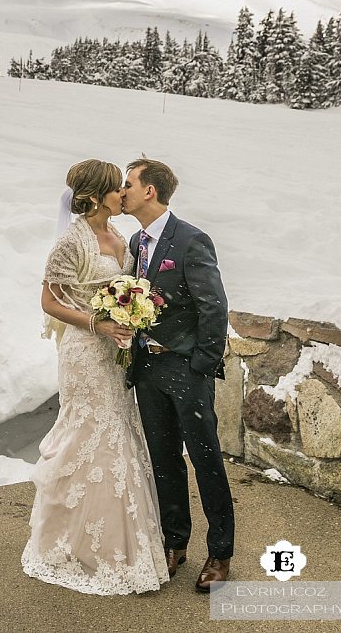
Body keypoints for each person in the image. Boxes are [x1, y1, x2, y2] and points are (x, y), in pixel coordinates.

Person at [21, 159, 169, 595]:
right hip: (85, 354)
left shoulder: (119, 237)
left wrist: (131, 314)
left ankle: (117, 545)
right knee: (89, 434)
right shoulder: (71, 242)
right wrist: (96, 324)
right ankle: (70, 544)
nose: (124, 194)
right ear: (98, 195)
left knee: (118, 434)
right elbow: (49, 301)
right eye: (117, 189)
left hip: (113, 354)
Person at [122, 157, 234, 592]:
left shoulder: (190, 240)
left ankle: (220, 553)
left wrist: (200, 367)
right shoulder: (136, 241)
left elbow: (214, 307)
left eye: (128, 184)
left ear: (150, 190)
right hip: (147, 368)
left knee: (206, 461)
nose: (123, 191)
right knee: (164, 461)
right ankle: (175, 543)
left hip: (186, 370)